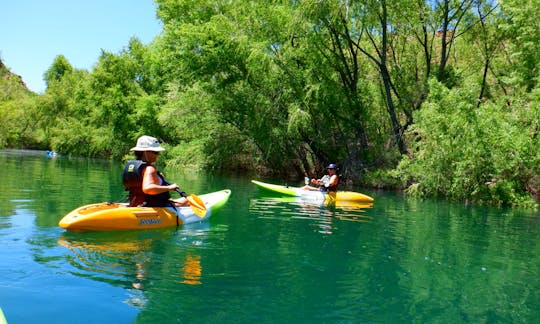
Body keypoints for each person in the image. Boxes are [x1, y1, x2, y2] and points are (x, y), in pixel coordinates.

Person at [123, 135, 188, 207]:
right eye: (155, 152)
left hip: (137, 204)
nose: (158, 155)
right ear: (145, 152)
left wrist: (159, 179)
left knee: (182, 199)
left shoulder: (133, 167)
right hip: (154, 206)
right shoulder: (149, 168)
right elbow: (148, 188)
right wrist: (170, 187)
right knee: (190, 199)